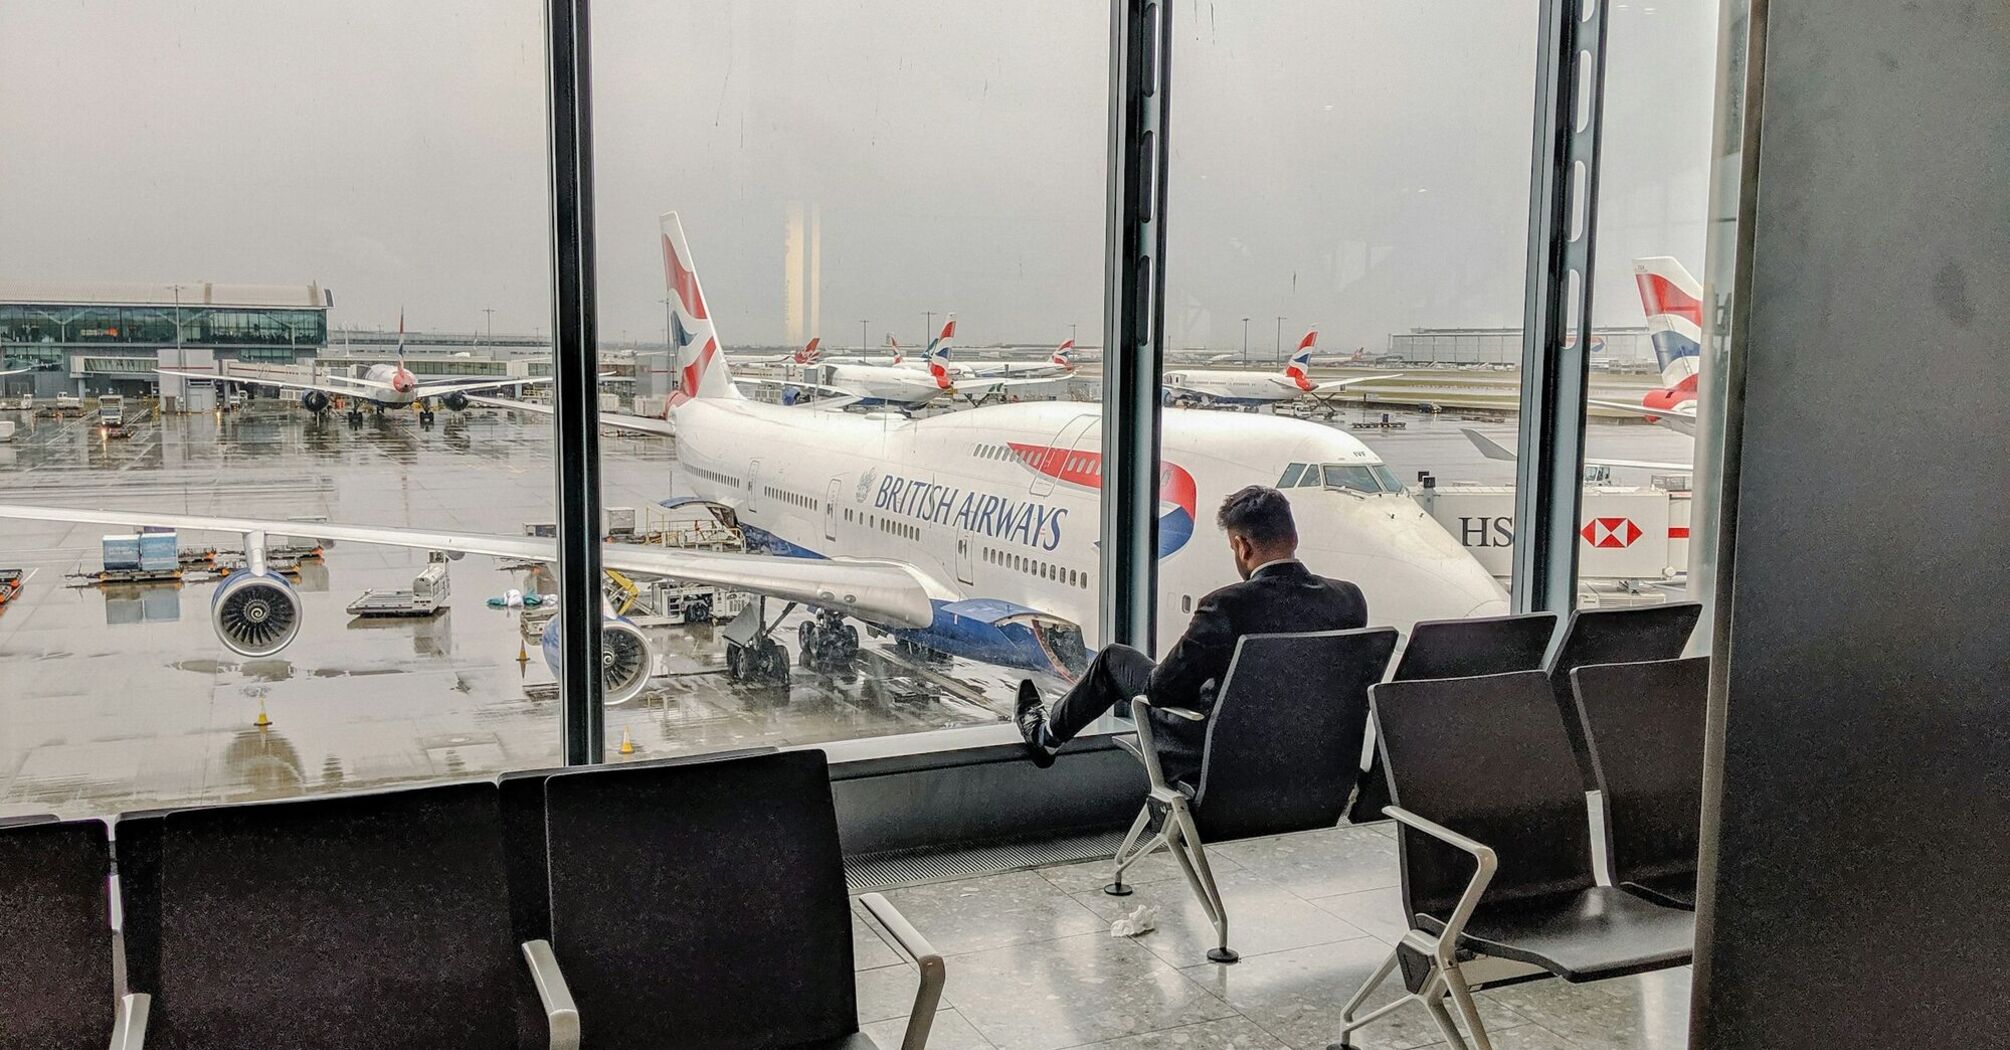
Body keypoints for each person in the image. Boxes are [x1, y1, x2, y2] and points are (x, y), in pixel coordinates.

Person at [1015, 485, 1367, 780]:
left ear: (1242, 546)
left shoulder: (1225, 606)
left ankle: (1046, 737)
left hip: (1226, 763)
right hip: (1314, 762)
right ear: (1293, 537)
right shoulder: (1349, 598)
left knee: (1113, 659)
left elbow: (1162, 690)